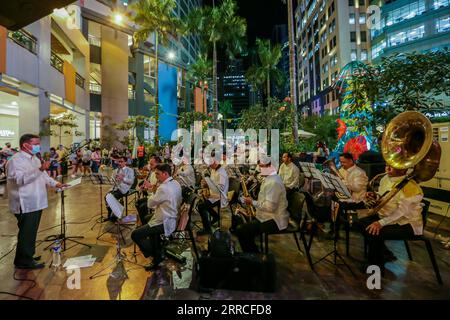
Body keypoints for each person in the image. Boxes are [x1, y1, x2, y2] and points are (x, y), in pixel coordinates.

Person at [7, 134, 67, 269]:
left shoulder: (34, 158)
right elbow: (19, 180)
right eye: (36, 144)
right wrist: (40, 169)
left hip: (37, 201)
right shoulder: (16, 160)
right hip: (25, 203)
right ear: (26, 145)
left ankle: (27, 255)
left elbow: (43, 176)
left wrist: (56, 183)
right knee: (26, 231)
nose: (38, 146)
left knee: (31, 231)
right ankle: (24, 261)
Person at [355, 165, 424, 269]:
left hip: (407, 224)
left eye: (392, 166)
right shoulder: (385, 178)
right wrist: (375, 196)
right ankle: (384, 253)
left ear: (403, 168)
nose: (387, 168)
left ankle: (376, 264)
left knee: (374, 232)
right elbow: (384, 196)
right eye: (387, 165)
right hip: (386, 216)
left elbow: (401, 212)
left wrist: (380, 223)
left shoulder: (411, 187)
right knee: (360, 223)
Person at [131, 163, 182, 271]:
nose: (156, 176)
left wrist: (152, 190)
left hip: (166, 221)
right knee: (146, 218)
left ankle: (156, 255)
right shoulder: (175, 183)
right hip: (173, 216)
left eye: (158, 174)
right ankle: (156, 246)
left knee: (135, 234)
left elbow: (150, 204)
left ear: (165, 173)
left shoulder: (163, 188)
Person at [236, 154, 289, 253]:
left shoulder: (273, 182)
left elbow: (270, 207)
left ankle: (254, 257)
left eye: (261, 167)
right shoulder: (269, 178)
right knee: (242, 224)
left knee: (242, 230)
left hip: (275, 220)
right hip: (267, 215)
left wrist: (252, 202)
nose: (259, 169)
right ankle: (251, 251)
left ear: (270, 167)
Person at [197, 156, 229, 235]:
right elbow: (212, 183)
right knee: (201, 201)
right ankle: (215, 216)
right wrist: (205, 185)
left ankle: (207, 229)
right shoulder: (213, 170)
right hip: (214, 194)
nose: (209, 165)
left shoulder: (222, 173)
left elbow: (219, 190)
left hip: (220, 196)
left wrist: (208, 182)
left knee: (201, 207)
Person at [105, 156, 135, 222]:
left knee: (112, 197)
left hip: (124, 189)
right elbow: (111, 180)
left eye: (121, 162)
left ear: (125, 162)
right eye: (119, 162)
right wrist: (114, 180)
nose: (119, 163)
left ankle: (116, 214)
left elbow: (131, 182)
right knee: (106, 197)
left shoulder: (130, 170)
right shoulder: (115, 170)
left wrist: (123, 179)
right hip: (115, 188)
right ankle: (111, 213)